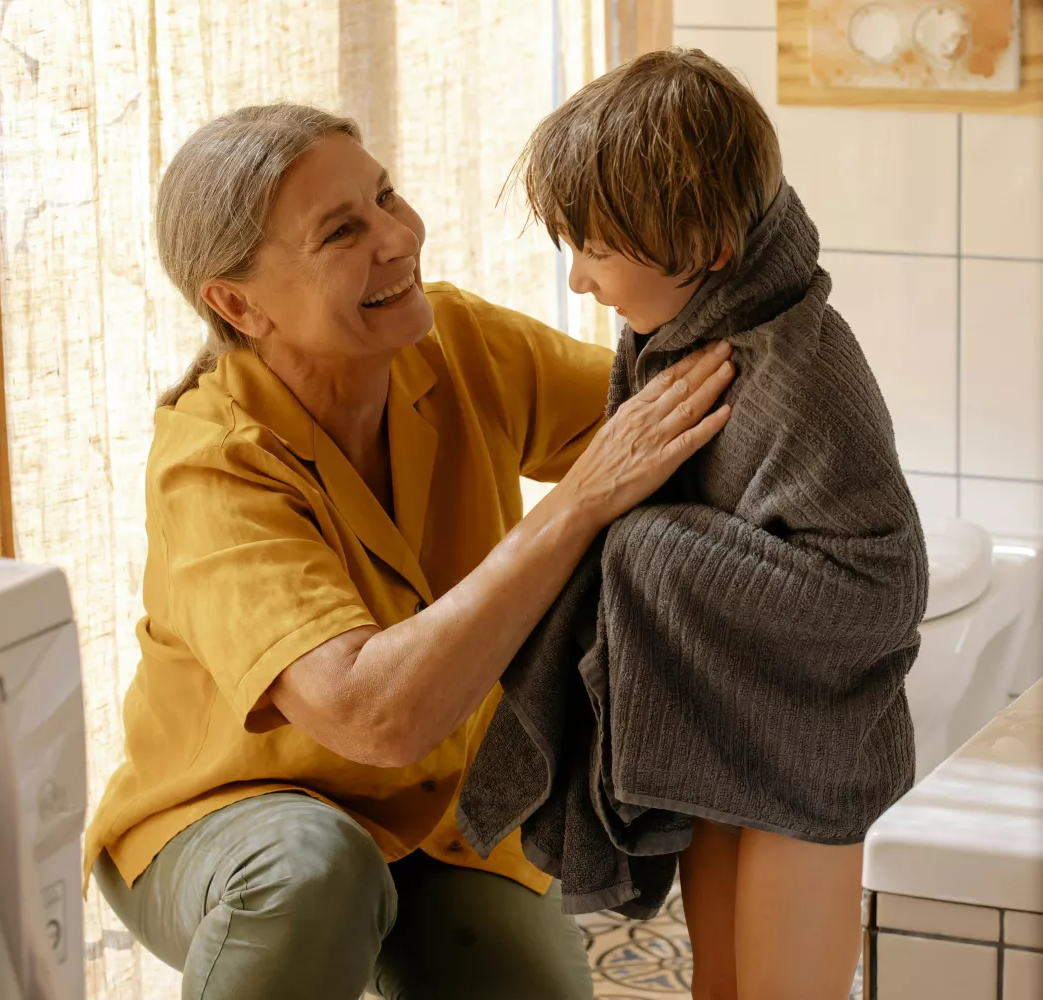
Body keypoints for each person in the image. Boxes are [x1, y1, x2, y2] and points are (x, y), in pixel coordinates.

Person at [83, 102, 735, 1000]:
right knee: (315, 876)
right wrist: (576, 507)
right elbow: (367, 714)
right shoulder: (213, 467)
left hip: (443, 822)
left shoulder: (457, 342)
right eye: (343, 230)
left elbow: (677, 418)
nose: (398, 238)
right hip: (224, 818)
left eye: (386, 196)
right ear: (237, 304)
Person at [489, 49, 927, 1000]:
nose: (577, 281)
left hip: (812, 751)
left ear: (711, 247)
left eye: (596, 250)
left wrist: (644, 548)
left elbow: (886, 591)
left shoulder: (801, 367)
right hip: (726, 718)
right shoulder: (684, 334)